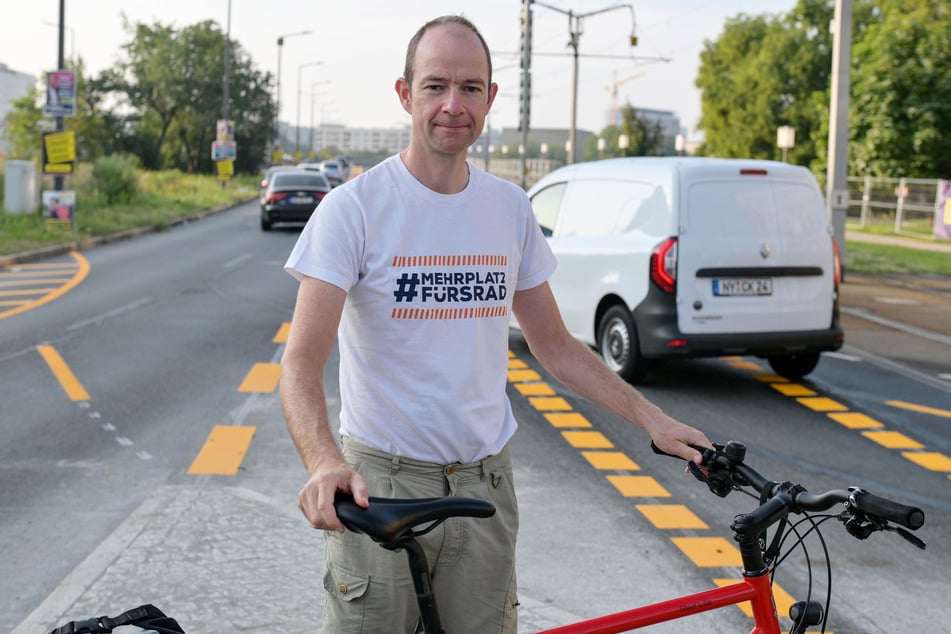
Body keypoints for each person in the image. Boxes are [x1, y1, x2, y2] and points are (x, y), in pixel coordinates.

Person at [280, 14, 712, 634]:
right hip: (381, 486)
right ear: (405, 94)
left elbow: (556, 347)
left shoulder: (508, 208)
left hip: (484, 487)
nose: (453, 105)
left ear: (490, 98)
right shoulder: (354, 210)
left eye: (470, 87)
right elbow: (300, 360)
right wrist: (324, 462)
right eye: (435, 86)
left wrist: (655, 419)